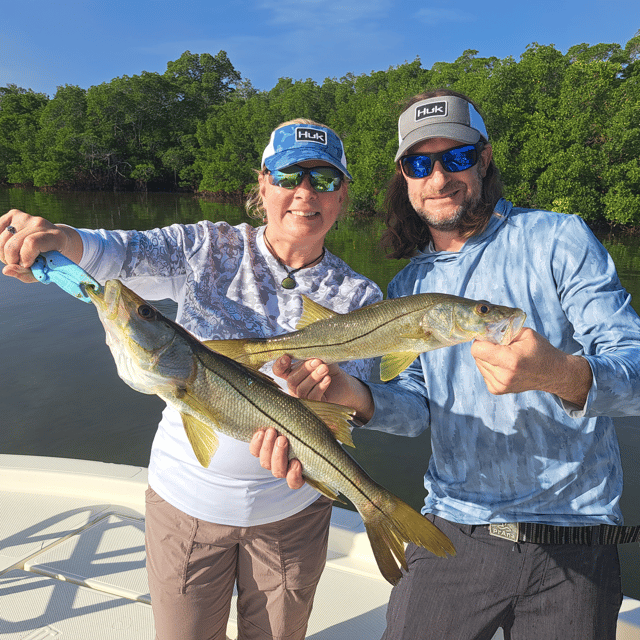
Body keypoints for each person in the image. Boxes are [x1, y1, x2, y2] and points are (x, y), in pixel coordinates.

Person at [257, 91, 640, 639]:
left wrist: (562, 374)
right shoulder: (409, 286)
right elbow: (416, 412)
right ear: (404, 177)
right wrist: (354, 395)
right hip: (455, 526)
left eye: (455, 158)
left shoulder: (559, 239)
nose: (438, 179)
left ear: (483, 159)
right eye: (419, 164)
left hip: (575, 531)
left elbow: (636, 369)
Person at [0, 119, 382, 640]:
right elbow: (116, 253)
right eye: (290, 175)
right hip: (186, 505)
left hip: (293, 513)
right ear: (263, 185)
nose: (306, 192)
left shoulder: (359, 298)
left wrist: (338, 394)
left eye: (325, 179)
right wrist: (60, 239)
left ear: (343, 196)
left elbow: (351, 411)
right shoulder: (206, 246)